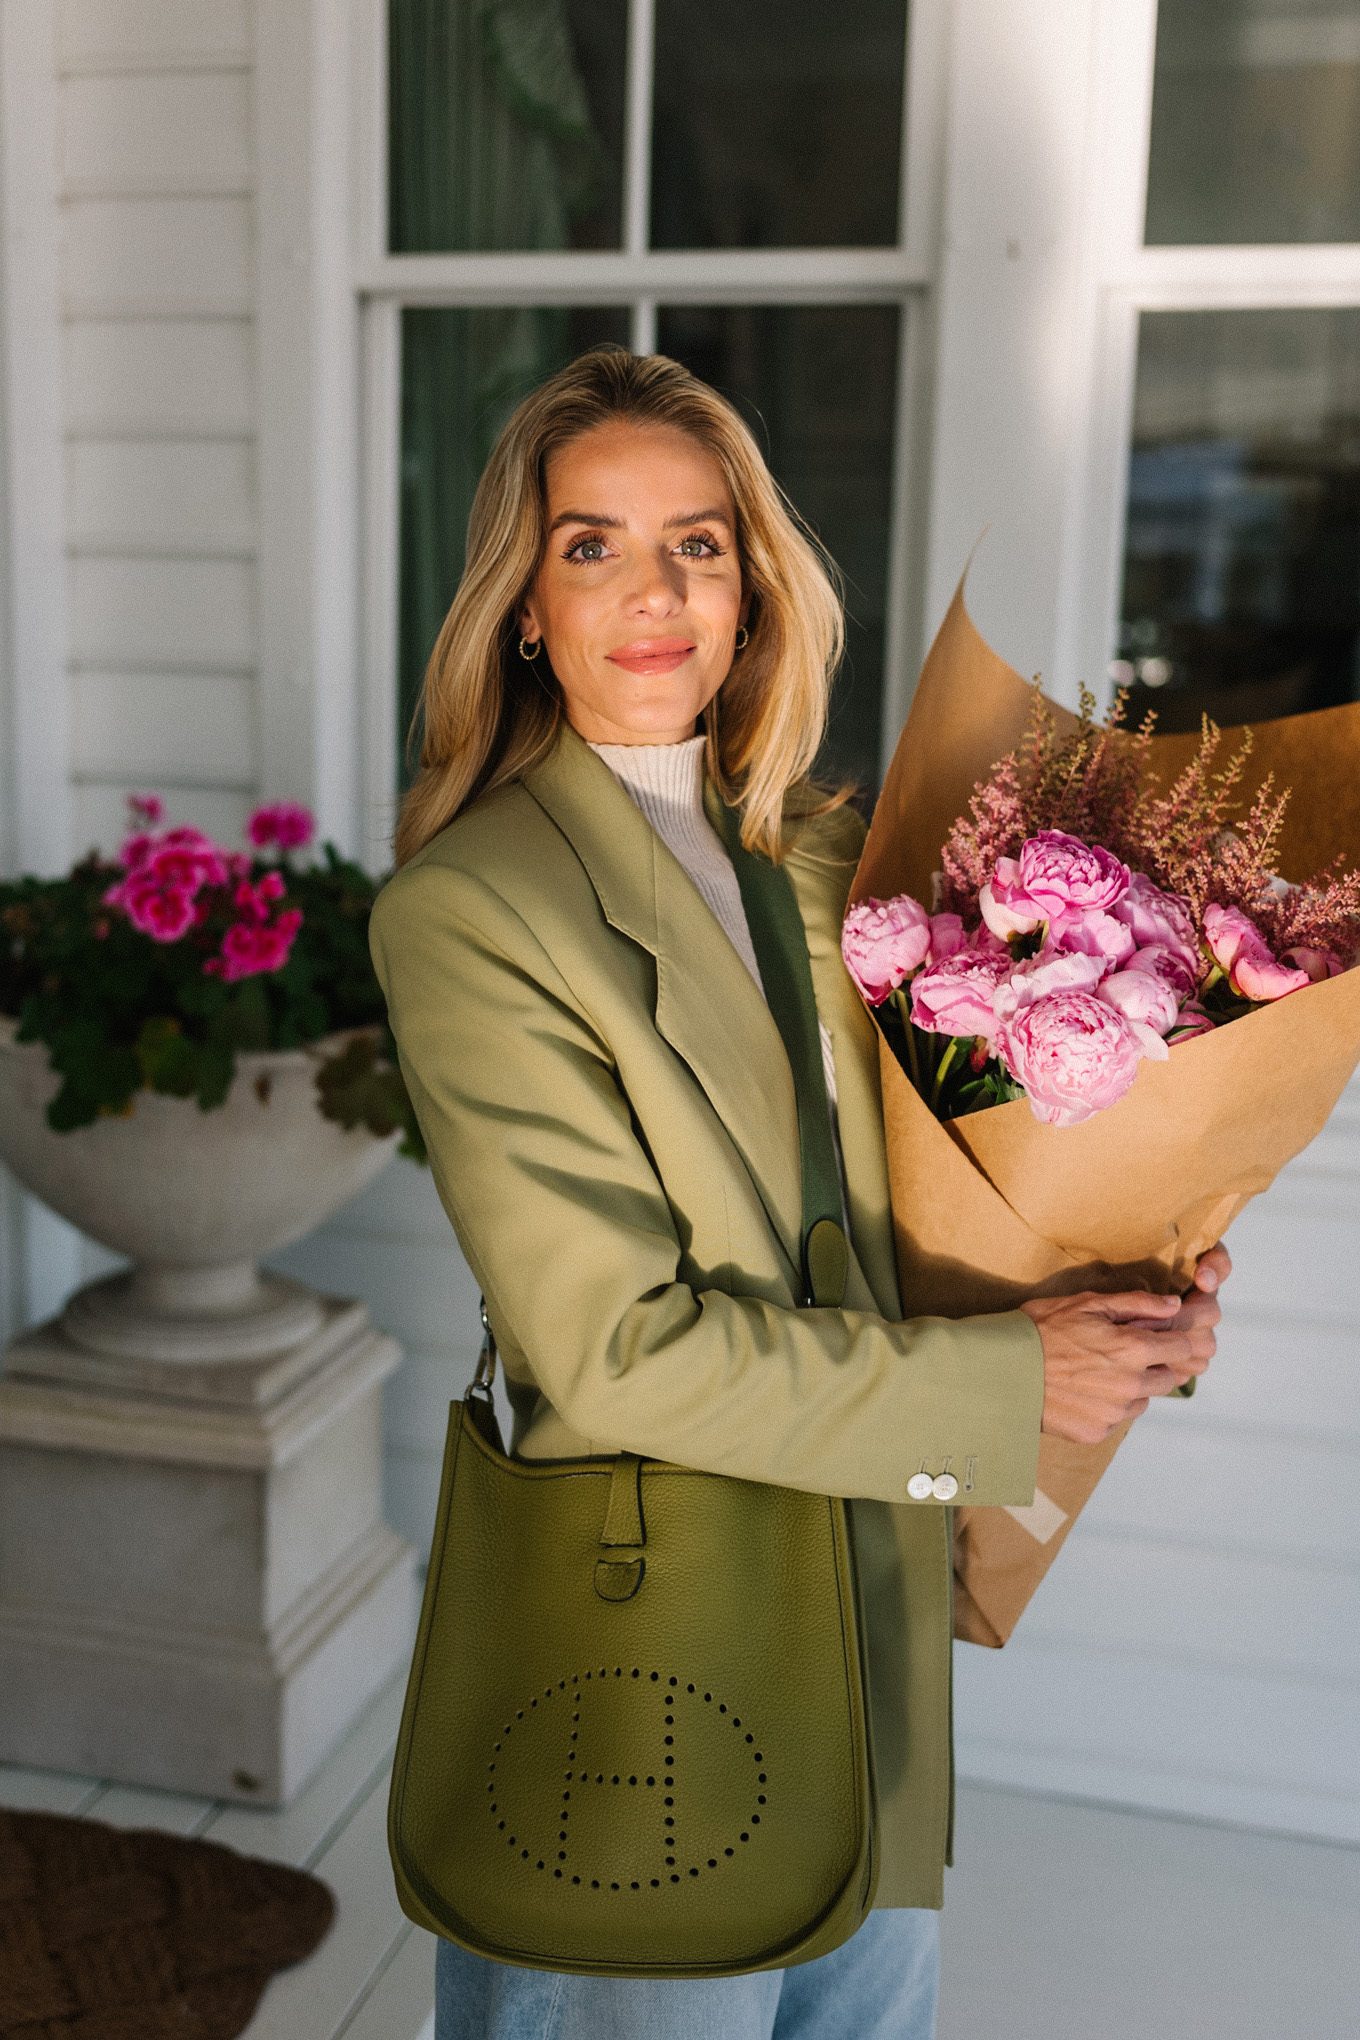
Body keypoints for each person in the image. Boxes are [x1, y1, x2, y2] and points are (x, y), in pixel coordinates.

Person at [369, 344, 1228, 2040]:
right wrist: (1009, 1377)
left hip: (868, 1603)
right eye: (590, 544)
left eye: (699, 540)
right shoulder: (475, 911)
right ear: (522, 603)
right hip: (659, 1641)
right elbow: (614, 1348)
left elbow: (939, 1209)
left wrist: (1122, 1294)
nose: (655, 590)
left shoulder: (840, 860)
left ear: (754, 583)